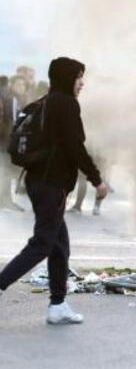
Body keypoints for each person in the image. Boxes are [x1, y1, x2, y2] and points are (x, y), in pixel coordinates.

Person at [0, 57, 109, 324]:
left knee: (59, 245)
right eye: (79, 76)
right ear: (66, 78)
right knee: (43, 244)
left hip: (39, 182)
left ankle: (58, 305)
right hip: (51, 184)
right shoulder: (66, 104)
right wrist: (97, 179)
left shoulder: (45, 101)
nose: (82, 82)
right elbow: (76, 147)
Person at [0, 75, 30, 211]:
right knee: (6, 170)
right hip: (7, 140)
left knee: (5, 170)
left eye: (23, 85)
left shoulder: (13, 98)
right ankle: (6, 201)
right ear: (12, 85)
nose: (21, 88)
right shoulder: (12, 99)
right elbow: (13, 122)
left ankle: (6, 200)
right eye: (18, 84)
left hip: (5, 140)